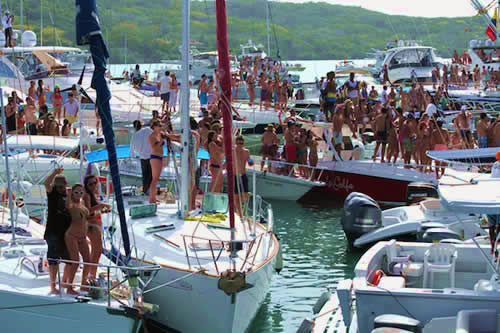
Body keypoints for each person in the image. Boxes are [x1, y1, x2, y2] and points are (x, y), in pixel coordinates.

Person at [44, 168, 71, 294]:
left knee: (70, 259)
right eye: (58, 186)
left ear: (66, 185)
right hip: (53, 232)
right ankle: (53, 286)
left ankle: (65, 282)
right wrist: (55, 173)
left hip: (66, 232)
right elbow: (46, 183)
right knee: (53, 260)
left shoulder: (68, 194)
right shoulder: (52, 193)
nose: (60, 188)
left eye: (62, 186)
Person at [83, 175, 111, 281]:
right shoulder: (86, 195)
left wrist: (102, 210)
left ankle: (91, 274)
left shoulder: (92, 195)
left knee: (95, 251)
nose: (93, 185)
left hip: (95, 225)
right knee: (97, 251)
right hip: (91, 226)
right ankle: (92, 276)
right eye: (90, 184)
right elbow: (88, 211)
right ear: (86, 185)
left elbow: (93, 212)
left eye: (95, 183)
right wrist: (101, 205)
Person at [65, 184, 91, 295]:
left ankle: (83, 284)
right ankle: (69, 287)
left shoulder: (82, 203)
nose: (79, 194)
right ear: (72, 193)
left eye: (81, 192)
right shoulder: (70, 204)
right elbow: (67, 207)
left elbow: (85, 219)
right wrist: (68, 194)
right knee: (75, 262)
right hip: (72, 236)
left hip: (82, 236)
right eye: (76, 192)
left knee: (88, 261)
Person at [130, 120, 153, 195]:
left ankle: (145, 191)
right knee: (151, 175)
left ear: (134, 127)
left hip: (142, 158)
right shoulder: (147, 130)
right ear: (141, 125)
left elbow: (132, 151)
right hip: (151, 157)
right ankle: (150, 191)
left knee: (145, 176)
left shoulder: (134, 136)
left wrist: (134, 156)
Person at [233, 135, 254, 216]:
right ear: (236, 143)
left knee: (245, 196)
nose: (240, 145)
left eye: (241, 143)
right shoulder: (232, 151)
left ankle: (238, 210)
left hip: (243, 175)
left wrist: (251, 161)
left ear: (243, 143)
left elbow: (250, 160)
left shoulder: (246, 151)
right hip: (235, 176)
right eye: (238, 143)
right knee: (236, 197)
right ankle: (240, 214)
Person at [148, 120, 166, 204]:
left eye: (161, 125)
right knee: (154, 179)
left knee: (156, 179)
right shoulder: (151, 136)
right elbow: (154, 147)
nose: (160, 127)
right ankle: (151, 199)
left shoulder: (159, 135)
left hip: (159, 157)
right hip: (155, 157)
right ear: (154, 127)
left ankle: (153, 198)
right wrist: (161, 141)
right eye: (159, 126)